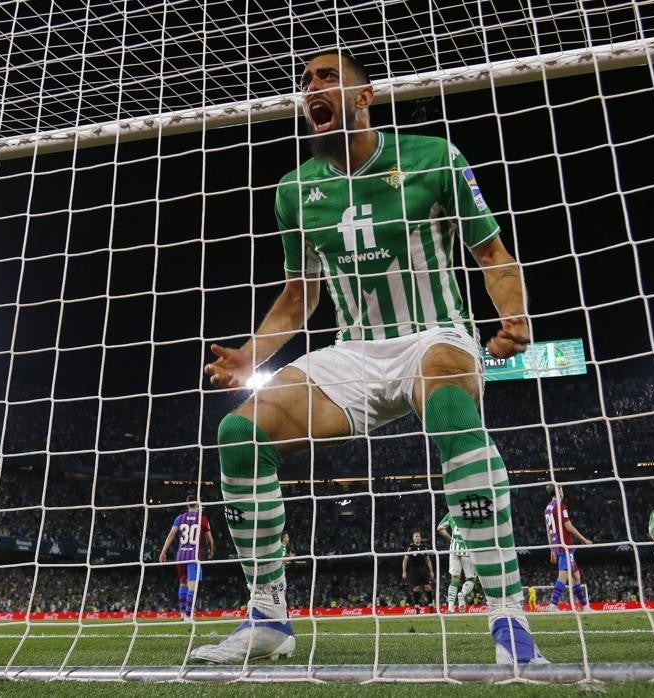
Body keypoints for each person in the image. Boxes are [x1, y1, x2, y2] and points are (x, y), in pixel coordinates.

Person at [195, 51, 543, 664]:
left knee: (445, 392)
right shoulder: (295, 191)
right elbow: (299, 295)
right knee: (238, 432)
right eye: (305, 82)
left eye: (327, 77)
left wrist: (512, 316)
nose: (312, 89)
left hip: (434, 335)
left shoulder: (435, 157)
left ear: (364, 97)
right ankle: (269, 615)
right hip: (353, 353)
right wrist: (247, 357)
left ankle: (509, 620)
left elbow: (492, 253)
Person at [158, 493, 214, 618]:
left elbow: (171, 534)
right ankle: (188, 614)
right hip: (193, 555)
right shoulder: (202, 519)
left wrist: (163, 551)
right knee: (192, 586)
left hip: (181, 555)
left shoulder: (180, 518)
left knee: (182, 582)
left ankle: (183, 613)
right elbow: (209, 539)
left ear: (188, 504)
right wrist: (211, 550)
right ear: (198, 504)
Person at [544, 484, 593, 612]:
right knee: (563, 576)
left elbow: (548, 531)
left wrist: (551, 549)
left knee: (576, 575)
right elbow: (569, 527)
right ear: (559, 491)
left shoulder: (548, 508)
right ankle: (553, 605)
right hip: (565, 545)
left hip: (558, 545)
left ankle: (585, 607)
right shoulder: (560, 506)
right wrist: (584, 540)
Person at [437, 511, 476, 612]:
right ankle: (462, 594)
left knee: (454, 578)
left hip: (454, 549)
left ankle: (450, 608)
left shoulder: (451, 513)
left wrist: (451, 539)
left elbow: (440, 528)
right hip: (468, 550)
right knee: (471, 578)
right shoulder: (471, 512)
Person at [402, 531, 436, 609]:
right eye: (416, 536)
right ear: (413, 538)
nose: (417, 538)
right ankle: (417, 607)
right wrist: (404, 571)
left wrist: (431, 571)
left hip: (423, 569)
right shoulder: (410, 548)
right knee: (416, 588)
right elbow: (405, 559)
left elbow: (427, 560)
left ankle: (431, 606)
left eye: (418, 536)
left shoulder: (424, 547)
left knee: (428, 587)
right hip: (414, 570)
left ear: (420, 538)